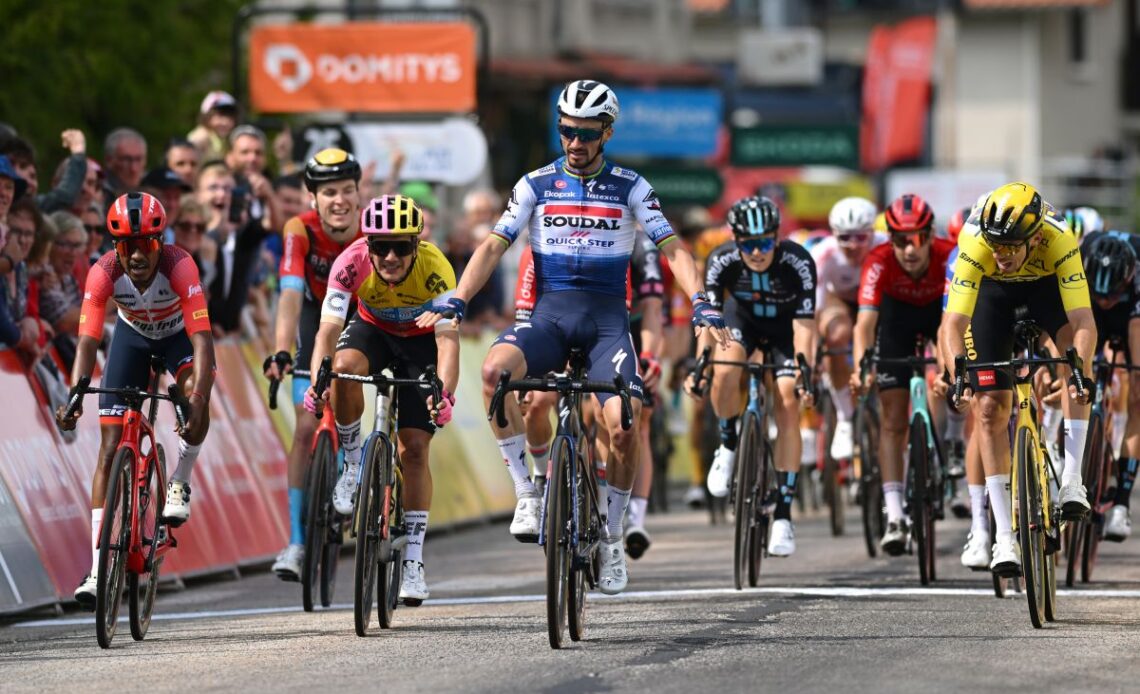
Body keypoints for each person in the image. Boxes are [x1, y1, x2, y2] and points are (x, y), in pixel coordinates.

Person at [418, 79, 727, 596]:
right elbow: (493, 247)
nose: (575, 144)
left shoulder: (632, 186)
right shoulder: (535, 184)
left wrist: (700, 301)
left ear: (606, 133)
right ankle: (528, 492)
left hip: (608, 324)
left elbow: (674, 251)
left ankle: (610, 535)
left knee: (624, 425)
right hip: (549, 319)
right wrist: (459, 297)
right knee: (495, 373)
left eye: (586, 134)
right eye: (566, 132)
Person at [55, 193, 215, 608]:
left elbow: (202, 339)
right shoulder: (103, 272)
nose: (137, 254)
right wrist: (74, 395)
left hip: (179, 337)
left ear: (159, 242)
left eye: (145, 243)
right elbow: (87, 343)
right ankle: (96, 568)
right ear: (115, 248)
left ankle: (180, 478)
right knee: (109, 450)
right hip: (133, 339)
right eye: (127, 246)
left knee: (194, 389)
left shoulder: (180, 265)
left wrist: (197, 396)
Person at [306, 194, 458, 604]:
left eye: (401, 247)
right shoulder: (350, 262)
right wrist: (319, 380)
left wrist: (445, 393)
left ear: (416, 245)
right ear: (367, 245)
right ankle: (353, 463)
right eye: (380, 247)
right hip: (372, 330)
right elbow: (327, 330)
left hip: (422, 343)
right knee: (343, 366)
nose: (390, 257)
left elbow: (448, 343)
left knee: (413, 450)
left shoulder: (437, 269)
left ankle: (413, 559)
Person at [943, 182, 1095, 575]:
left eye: (1010, 245)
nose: (1000, 253)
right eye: (996, 244)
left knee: (1076, 361)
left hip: (1044, 288)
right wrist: (957, 371)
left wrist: (1078, 365)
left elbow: (1083, 321)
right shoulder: (978, 242)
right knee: (990, 408)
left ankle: (1073, 481)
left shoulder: (1059, 236)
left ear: (1035, 235)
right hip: (993, 297)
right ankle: (1004, 539)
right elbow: (953, 324)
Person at [693, 196, 817, 557]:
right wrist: (701, 363)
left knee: (788, 398)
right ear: (736, 240)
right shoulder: (721, 259)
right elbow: (709, 321)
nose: (758, 252)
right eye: (749, 244)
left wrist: (804, 370)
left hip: (785, 329)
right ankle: (728, 444)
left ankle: (783, 514)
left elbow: (805, 325)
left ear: (777, 238)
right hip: (740, 321)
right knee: (726, 365)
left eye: (766, 243)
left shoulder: (798, 261)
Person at [264, 148, 363, 581]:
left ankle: (355, 474)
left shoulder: (371, 228)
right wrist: (282, 350)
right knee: (305, 428)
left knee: (353, 404)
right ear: (313, 199)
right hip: (314, 313)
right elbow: (288, 294)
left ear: (359, 194)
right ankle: (297, 542)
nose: (338, 200)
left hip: (363, 317)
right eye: (328, 193)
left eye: (346, 190)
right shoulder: (298, 230)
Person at [850, 194, 955, 555]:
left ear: (930, 235)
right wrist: (861, 366)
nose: (909, 249)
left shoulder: (948, 254)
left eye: (918, 239)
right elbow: (865, 324)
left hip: (939, 316)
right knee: (893, 420)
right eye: (899, 240)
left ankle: (952, 443)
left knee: (952, 382)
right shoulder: (877, 261)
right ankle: (894, 514)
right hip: (896, 321)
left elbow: (954, 324)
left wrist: (948, 369)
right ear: (889, 239)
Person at [811, 197, 884, 460]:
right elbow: (814, 311)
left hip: (877, 302)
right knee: (836, 336)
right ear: (834, 235)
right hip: (838, 300)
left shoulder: (885, 246)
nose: (853, 245)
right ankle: (844, 418)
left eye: (861, 237)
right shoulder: (822, 254)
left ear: (872, 234)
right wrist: (815, 352)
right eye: (845, 238)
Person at [1079, 231, 1140, 541]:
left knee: (1138, 390)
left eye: (1111, 295)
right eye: (1100, 295)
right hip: (1093, 316)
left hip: (1132, 313)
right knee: (1076, 370)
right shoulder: (1083, 252)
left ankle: (1121, 504)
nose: (1105, 301)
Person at [1, 129, 90, 213]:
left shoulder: (35, 209)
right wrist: (78, 154)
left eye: (34, 177)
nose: (31, 172)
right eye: (22, 166)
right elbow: (64, 196)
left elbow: (63, 197)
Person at [40, 211, 87, 367]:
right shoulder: (45, 276)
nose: (72, 253)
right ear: (49, 244)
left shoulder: (68, 279)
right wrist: (118, 294)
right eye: (65, 245)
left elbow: (82, 320)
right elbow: (66, 322)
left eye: (77, 246)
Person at [188, 91, 238, 162]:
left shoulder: (223, 139)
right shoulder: (200, 139)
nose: (225, 122)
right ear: (206, 117)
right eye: (220, 116)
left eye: (230, 117)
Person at [102, 128, 148, 202]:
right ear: (109, 160)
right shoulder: (96, 193)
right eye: (126, 160)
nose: (133, 169)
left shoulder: (155, 191)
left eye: (138, 159)